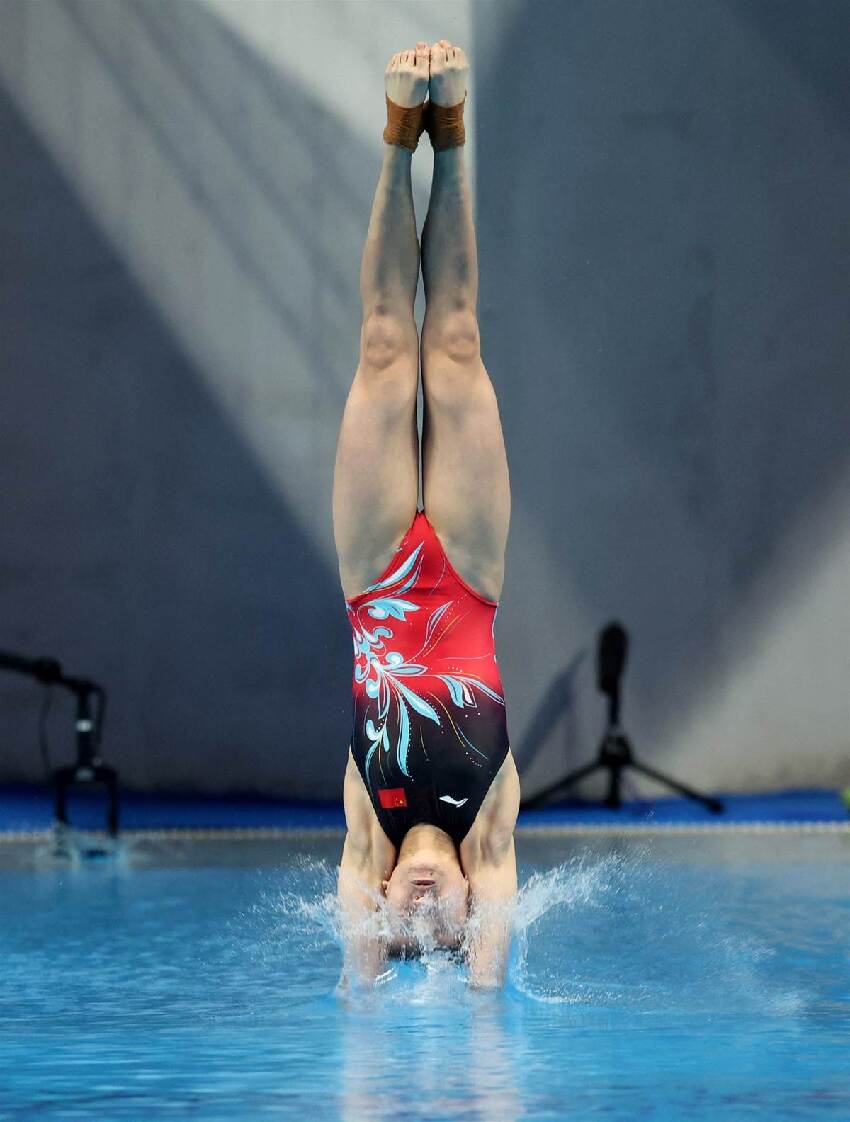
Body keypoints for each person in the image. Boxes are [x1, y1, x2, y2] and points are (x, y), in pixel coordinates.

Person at [332, 40, 520, 990]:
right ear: (469, 915)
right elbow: (491, 994)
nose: (415, 902)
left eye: (397, 918)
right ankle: (449, 138)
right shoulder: (490, 822)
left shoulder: (371, 828)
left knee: (380, 347)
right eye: (436, 920)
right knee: (451, 340)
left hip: (376, 581)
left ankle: (396, 132)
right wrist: (483, 1002)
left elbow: (354, 994)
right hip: (471, 575)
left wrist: (368, 977)